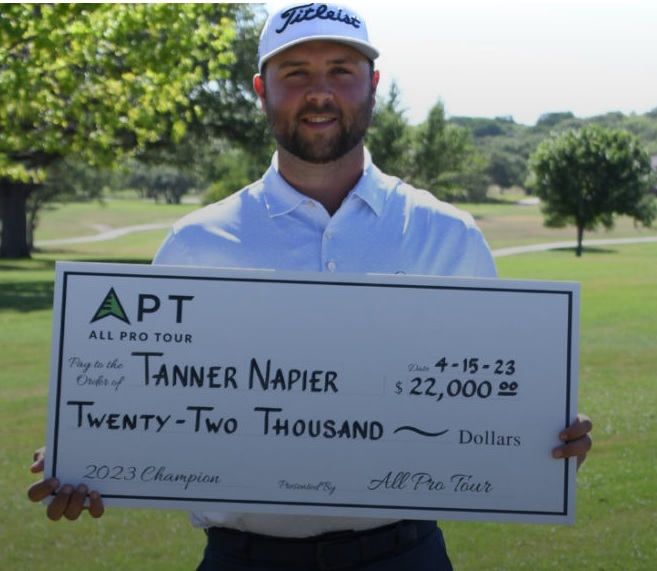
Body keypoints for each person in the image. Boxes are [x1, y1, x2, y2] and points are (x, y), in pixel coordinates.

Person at [28, 3, 593, 570]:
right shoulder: (195, 243)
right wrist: (88, 452)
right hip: (243, 559)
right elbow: (152, 403)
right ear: (261, 90)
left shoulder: (447, 235)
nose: (319, 92)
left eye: (341, 71)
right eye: (295, 72)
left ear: (373, 84)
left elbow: (491, 404)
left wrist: (545, 443)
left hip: (405, 554)